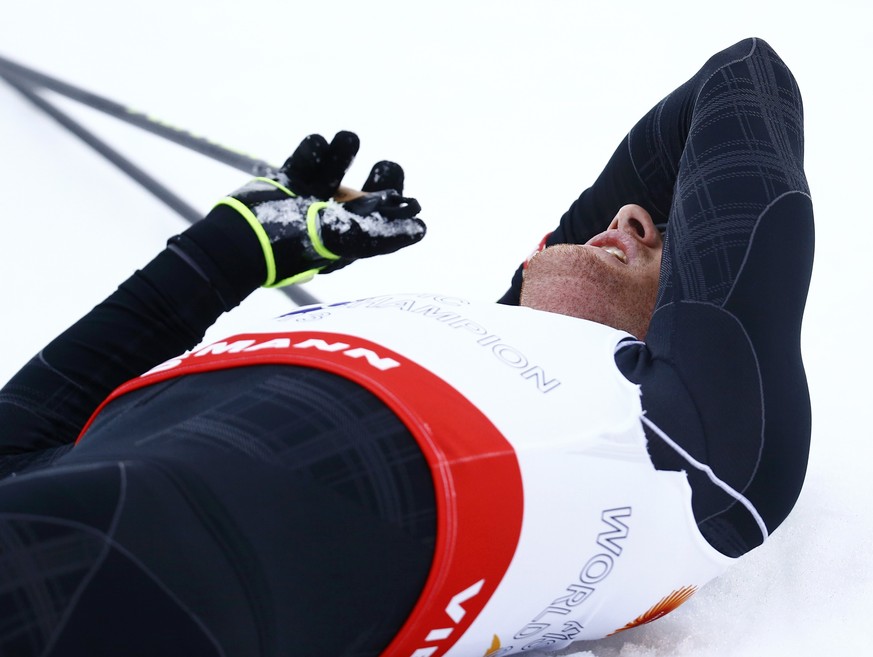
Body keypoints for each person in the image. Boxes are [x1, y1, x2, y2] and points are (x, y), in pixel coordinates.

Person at [0, 36, 813, 657]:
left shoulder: (688, 451)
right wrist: (222, 259)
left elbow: (743, 86)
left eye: (675, 242)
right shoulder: (418, 331)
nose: (634, 217)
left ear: (688, 328)